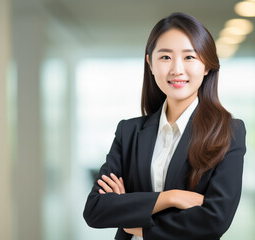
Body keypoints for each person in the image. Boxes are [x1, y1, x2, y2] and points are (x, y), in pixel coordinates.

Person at [83, 12, 246, 240]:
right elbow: (95, 210)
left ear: (207, 65)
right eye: (165, 57)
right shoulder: (128, 132)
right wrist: (170, 198)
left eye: (189, 57)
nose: (177, 69)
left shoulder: (229, 132)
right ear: (150, 64)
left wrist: (133, 221)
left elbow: (214, 220)